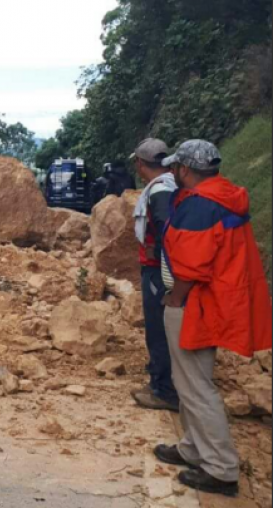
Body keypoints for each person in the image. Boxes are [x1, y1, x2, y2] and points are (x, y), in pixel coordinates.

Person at [153, 140, 273, 497]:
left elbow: (191, 265)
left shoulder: (200, 206)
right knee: (190, 378)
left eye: (175, 168)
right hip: (212, 301)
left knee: (196, 384)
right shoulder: (223, 197)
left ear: (185, 170)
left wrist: (175, 297)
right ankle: (193, 447)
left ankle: (220, 467)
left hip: (195, 304)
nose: (173, 173)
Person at [128, 139, 179, 412]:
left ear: (140, 163)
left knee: (158, 330)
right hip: (165, 269)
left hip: (159, 271)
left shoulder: (159, 191)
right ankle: (168, 381)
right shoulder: (172, 184)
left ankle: (163, 390)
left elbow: (165, 230)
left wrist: (164, 268)